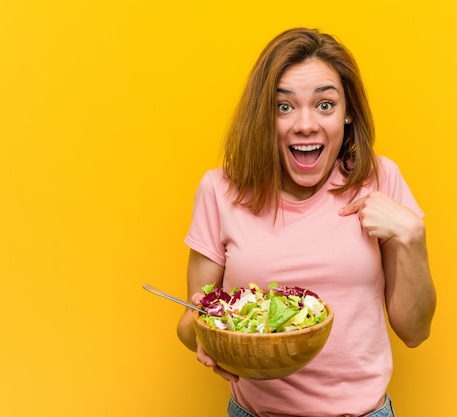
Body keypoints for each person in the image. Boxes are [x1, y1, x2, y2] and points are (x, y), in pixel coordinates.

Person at [177, 27, 436, 417]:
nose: (305, 124)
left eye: (325, 105)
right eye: (284, 107)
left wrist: (413, 237)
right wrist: (207, 338)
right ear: (264, 116)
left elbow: (415, 332)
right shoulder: (219, 190)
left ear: (348, 113)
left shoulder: (380, 181)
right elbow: (189, 320)